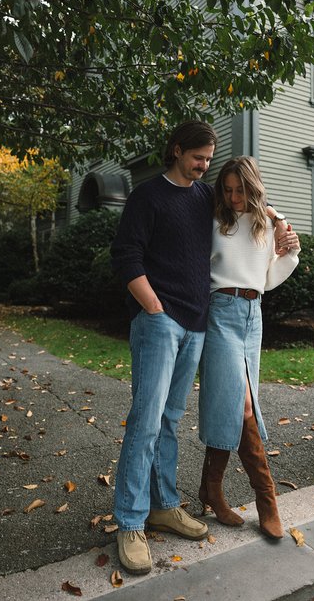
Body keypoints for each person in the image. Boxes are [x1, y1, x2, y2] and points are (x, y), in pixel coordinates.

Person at [110, 120, 218, 575]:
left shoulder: (206, 197)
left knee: (170, 421)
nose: (204, 166)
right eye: (199, 158)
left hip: (196, 324)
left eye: (210, 160)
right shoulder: (147, 196)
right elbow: (126, 256)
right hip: (159, 324)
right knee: (146, 421)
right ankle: (130, 523)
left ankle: (164, 505)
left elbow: (248, 210)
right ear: (176, 150)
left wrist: (282, 230)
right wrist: (154, 308)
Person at [198, 156, 300, 539]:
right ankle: (266, 498)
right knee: (242, 406)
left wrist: (288, 248)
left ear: (253, 188)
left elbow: (268, 279)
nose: (233, 196)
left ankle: (211, 488)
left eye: (240, 190)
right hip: (220, 312)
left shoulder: (265, 225)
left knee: (232, 404)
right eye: (227, 189)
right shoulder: (214, 221)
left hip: (252, 314)